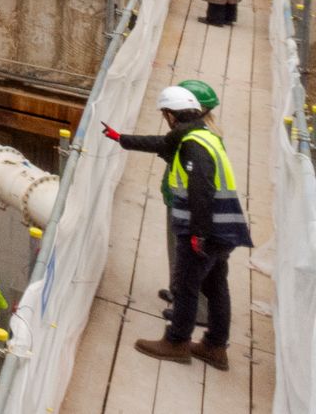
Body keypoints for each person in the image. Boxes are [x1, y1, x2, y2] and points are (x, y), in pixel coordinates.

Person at [104, 85, 251, 369]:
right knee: (216, 286)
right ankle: (215, 347)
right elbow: (160, 144)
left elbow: (201, 188)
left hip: (206, 230)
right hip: (225, 228)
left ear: (172, 114)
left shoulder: (192, 146)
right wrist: (120, 138)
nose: (164, 120)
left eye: (165, 115)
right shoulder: (203, 136)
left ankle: (176, 342)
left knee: (185, 285)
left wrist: (198, 233)